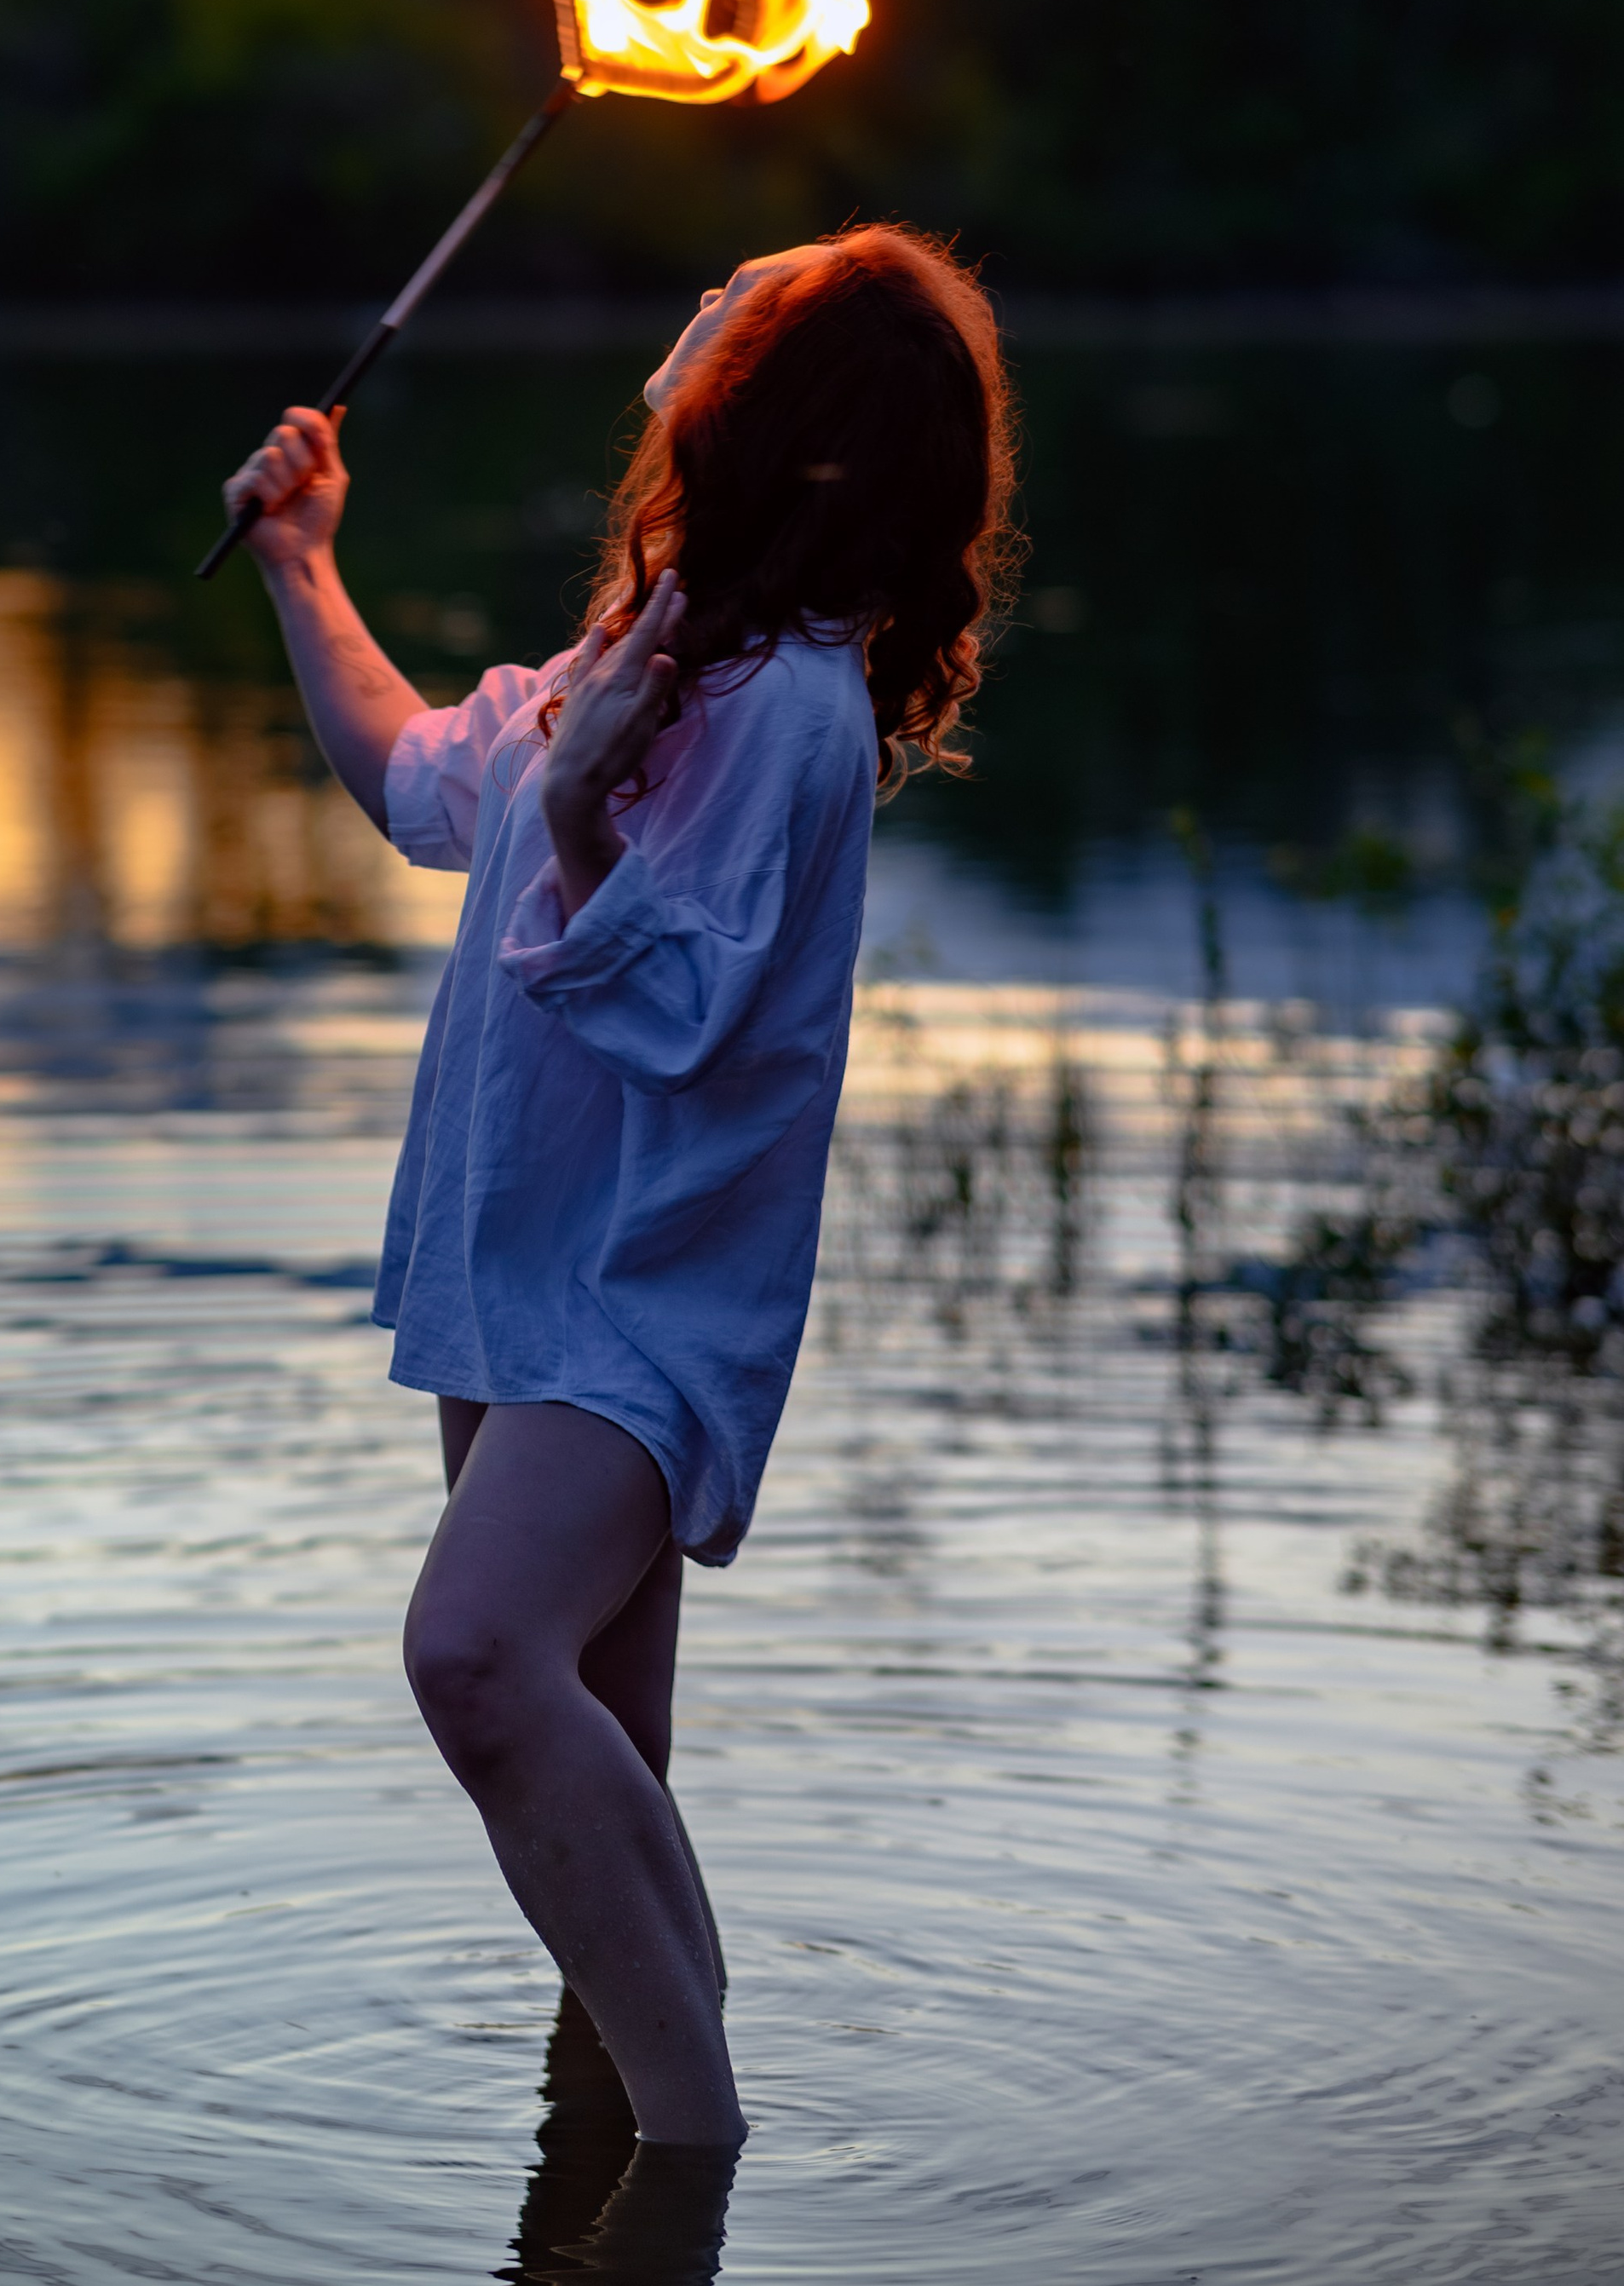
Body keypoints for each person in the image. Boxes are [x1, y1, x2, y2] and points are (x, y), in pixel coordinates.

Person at [224, 225, 1016, 2153]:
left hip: (646, 1299)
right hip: (516, 1273)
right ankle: (611, 2158)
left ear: (779, 404)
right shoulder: (650, 656)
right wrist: (301, 562)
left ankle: (686, 2163)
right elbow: (418, 780)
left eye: (754, 288)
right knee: (597, 1757)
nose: (708, 288)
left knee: (476, 1660)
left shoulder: (791, 709)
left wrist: (579, 809)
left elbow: (680, 1009)